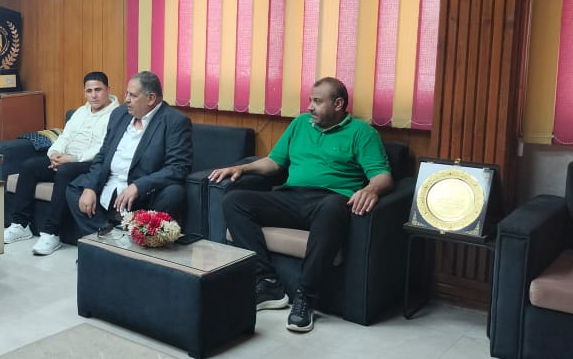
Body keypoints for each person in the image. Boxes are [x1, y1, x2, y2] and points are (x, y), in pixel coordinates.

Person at [208, 77, 392, 333]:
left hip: (329, 201)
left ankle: (305, 296)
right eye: (310, 100)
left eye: (317, 101)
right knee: (235, 200)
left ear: (338, 104)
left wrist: (371, 189)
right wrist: (241, 168)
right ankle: (268, 282)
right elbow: (274, 162)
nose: (310, 107)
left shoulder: (362, 133)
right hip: (290, 197)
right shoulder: (300, 124)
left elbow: (382, 176)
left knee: (332, 207)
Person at [3, 71, 120, 255]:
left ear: (108, 90)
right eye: (89, 91)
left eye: (98, 90)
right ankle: (20, 224)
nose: (94, 95)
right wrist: (54, 154)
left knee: (65, 171)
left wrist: (71, 159)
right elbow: (64, 137)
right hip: (66, 159)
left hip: (90, 163)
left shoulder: (117, 115)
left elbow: (103, 148)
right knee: (29, 166)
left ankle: (52, 233)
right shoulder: (81, 112)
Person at [67, 70, 193, 237]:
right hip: (110, 185)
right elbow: (103, 155)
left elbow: (178, 167)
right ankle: (106, 234)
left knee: (174, 193)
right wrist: (90, 187)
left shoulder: (174, 121)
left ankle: (124, 237)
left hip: (142, 193)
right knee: (74, 188)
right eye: (127, 93)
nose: (127, 99)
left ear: (151, 98)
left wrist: (138, 186)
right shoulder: (119, 114)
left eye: (133, 95)